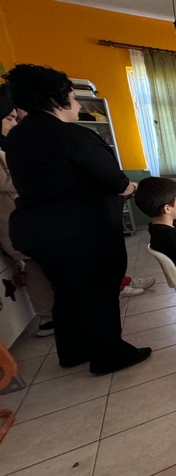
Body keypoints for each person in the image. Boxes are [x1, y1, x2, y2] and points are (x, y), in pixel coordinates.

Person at [4, 64, 149, 374]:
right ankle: (109, 355)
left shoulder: (17, 136)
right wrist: (131, 187)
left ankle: (72, 351)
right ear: (57, 99)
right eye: (73, 96)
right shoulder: (72, 136)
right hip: (79, 231)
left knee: (66, 291)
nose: (80, 104)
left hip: (34, 230)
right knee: (100, 290)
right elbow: (115, 181)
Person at [0, 93, 54, 337]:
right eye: (10, 119)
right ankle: (48, 318)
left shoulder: (7, 145)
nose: (14, 124)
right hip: (13, 221)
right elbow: (8, 181)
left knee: (40, 267)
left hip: (26, 219)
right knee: (37, 268)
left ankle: (52, 315)